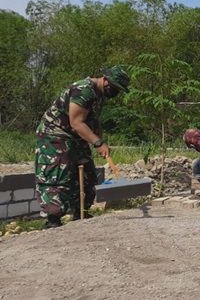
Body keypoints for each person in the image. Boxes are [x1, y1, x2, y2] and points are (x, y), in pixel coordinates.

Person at [35, 66, 130, 228]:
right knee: (57, 176)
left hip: (76, 136)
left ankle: (81, 212)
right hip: (56, 135)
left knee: (88, 174)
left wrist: (100, 139)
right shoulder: (84, 90)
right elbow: (76, 122)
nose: (115, 92)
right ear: (105, 80)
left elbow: (93, 120)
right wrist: (97, 143)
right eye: (114, 88)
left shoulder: (99, 95)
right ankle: (53, 220)